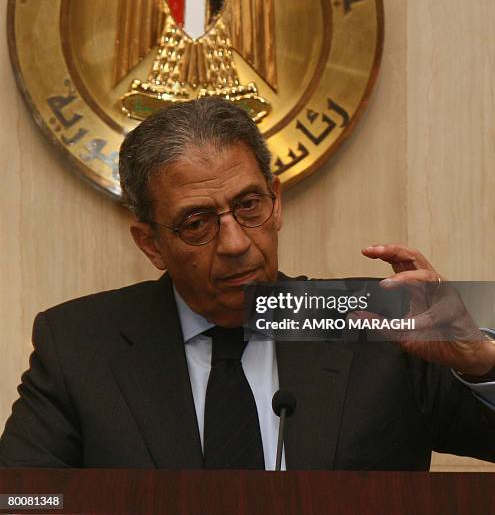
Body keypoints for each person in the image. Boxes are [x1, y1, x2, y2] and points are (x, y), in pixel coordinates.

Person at [1, 97, 494, 469]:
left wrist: (481, 363)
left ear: (276, 203)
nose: (236, 242)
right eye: (197, 222)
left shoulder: (371, 315)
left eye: (249, 206)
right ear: (150, 244)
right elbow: (22, 501)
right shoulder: (79, 344)